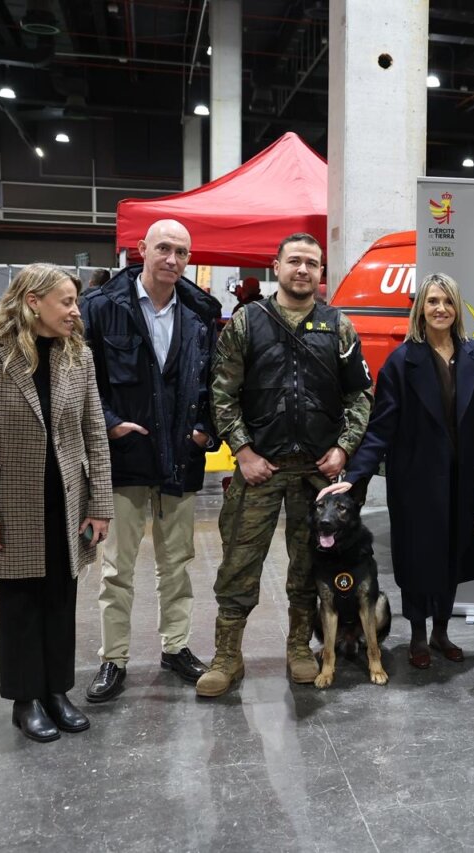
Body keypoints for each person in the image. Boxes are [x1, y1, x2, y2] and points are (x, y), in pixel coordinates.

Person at [196, 233, 372, 697]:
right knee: (238, 563)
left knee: (307, 566)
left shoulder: (339, 326)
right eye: (294, 261)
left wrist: (344, 448)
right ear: (277, 266)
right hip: (260, 469)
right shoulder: (246, 323)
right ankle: (226, 657)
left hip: (315, 474)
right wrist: (244, 451)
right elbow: (222, 393)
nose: (302, 270)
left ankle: (299, 648)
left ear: (320, 272)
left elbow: (360, 394)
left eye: (312, 264)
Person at [0, 263, 113, 742]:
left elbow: (94, 431)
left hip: (67, 494)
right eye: (66, 302)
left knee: (62, 595)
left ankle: (58, 690)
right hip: (11, 500)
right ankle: (26, 700)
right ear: (32, 302)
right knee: (21, 600)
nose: (75, 312)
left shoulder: (76, 355)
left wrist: (99, 501)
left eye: (75, 301)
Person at [319, 273, 474, 668]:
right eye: (432, 301)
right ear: (420, 309)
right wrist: (354, 475)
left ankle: (441, 632)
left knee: (452, 556)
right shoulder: (403, 361)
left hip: (463, 479)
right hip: (416, 480)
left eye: (447, 301)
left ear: (457, 307)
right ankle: (417, 633)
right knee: (418, 559)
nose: (440, 309)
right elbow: (381, 428)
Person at [80, 219, 221, 703]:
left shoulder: (203, 313)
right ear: (141, 250)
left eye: (182, 252)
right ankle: (113, 658)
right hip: (123, 460)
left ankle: (175, 647)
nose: (173, 260)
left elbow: (215, 382)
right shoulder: (100, 309)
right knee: (116, 569)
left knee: (177, 564)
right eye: (163, 248)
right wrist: (111, 421)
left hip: (180, 459)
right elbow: (83, 380)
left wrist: (207, 429)